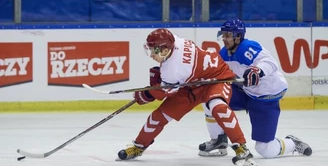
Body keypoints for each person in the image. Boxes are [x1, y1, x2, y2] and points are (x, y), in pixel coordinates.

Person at [116, 28, 257, 165]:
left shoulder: (173, 70)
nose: (151, 54)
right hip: (191, 84)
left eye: (154, 50)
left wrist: (147, 94)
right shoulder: (175, 41)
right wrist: (154, 89)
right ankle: (139, 146)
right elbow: (172, 83)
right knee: (159, 116)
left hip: (215, 79)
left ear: (165, 50)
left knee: (218, 107)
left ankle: (241, 148)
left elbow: (168, 91)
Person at [198, 19, 312, 159]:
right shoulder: (224, 53)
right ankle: (219, 140)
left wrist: (258, 70)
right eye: (223, 35)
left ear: (238, 37)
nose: (224, 39)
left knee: (265, 149)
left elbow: (269, 62)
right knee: (210, 98)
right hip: (245, 92)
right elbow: (217, 71)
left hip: (265, 98)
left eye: (227, 35)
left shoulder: (248, 47)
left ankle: (292, 143)